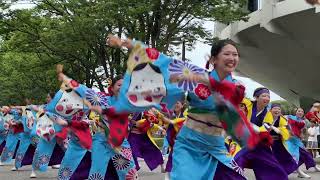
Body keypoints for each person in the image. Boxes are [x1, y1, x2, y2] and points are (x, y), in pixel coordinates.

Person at [107, 35, 254, 179]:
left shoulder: (237, 86)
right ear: (214, 59)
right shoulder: (195, 76)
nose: (232, 58)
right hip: (189, 145)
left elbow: (232, 116)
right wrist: (125, 44)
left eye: (235, 54)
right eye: (227, 54)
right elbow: (161, 60)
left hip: (217, 147)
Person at [234, 88, 288, 180]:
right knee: (234, 162)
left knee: (275, 169)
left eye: (268, 96)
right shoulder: (247, 104)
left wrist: (252, 126)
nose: (267, 98)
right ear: (256, 97)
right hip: (241, 139)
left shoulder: (268, 113)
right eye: (264, 96)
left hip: (259, 142)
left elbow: (263, 129)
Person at [286, 107, 320, 178]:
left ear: (303, 113)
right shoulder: (289, 117)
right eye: (299, 111)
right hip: (290, 140)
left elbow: (303, 131)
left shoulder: (303, 122)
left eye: (302, 111)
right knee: (294, 156)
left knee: (306, 154)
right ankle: (299, 171)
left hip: (298, 141)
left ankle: (314, 166)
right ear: (296, 112)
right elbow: (284, 124)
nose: (300, 112)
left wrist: (303, 136)